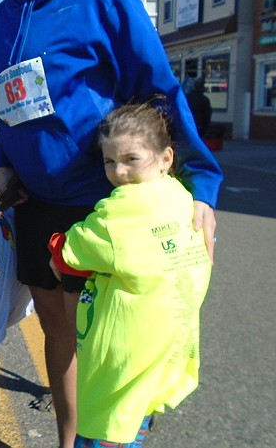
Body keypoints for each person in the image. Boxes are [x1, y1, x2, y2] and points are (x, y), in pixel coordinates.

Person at [0, 0, 223, 448]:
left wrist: (201, 182)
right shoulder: (5, 13)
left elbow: (159, 90)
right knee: (57, 331)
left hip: (104, 200)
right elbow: (8, 100)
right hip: (37, 202)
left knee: (113, 340)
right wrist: (2, 163)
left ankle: (116, 436)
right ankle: (71, 439)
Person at [48, 102, 212, 446]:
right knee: (138, 417)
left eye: (131, 159)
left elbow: (67, 255)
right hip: (168, 345)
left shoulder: (117, 213)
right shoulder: (183, 197)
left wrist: (57, 249)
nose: (119, 172)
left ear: (166, 157)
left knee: (105, 428)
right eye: (109, 161)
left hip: (124, 352)